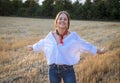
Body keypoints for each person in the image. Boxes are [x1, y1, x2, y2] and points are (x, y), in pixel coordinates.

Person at [27, 11, 107, 83]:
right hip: (53, 70)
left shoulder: (73, 37)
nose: (62, 20)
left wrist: (99, 51)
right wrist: (33, 47)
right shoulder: (50, 36)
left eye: (65, 19)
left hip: (68, 70)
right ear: (56, 21)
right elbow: (43, 43)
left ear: (68, 23)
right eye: (60, 18)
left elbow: (86, 45)